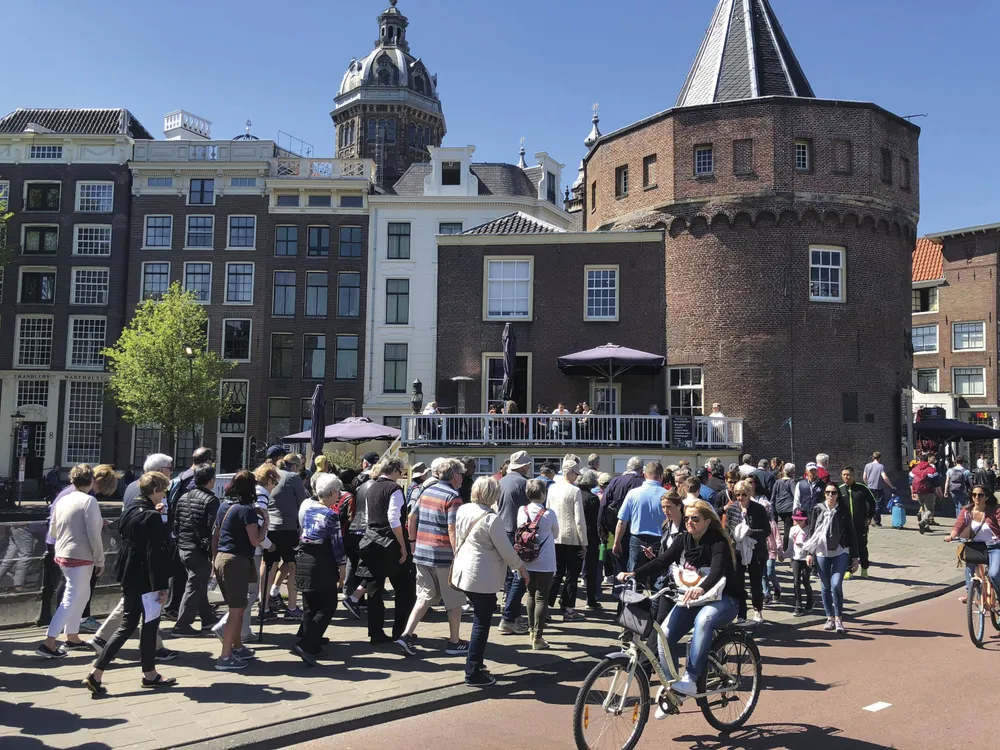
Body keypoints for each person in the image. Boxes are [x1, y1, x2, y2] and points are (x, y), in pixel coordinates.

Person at [622, 499, 741, 699]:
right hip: (694, 599)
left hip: (724, 599)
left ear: (707, 521)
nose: (689, 522)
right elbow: (662, 560)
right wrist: (633, 574)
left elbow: (717, 571)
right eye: (687, 518)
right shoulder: (683, 539)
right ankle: (675, 689)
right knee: (663, 638)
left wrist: (700, 588)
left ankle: (691, 680)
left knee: (704, 620)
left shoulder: (717, 542)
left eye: (695, 518)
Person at [84, 471, 174, 694]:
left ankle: (97, 672)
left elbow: (129, 533)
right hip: (146, 577)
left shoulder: (132, 509)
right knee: (150, 624)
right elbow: (155, 554)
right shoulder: (152, 516)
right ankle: (149, 674)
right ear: (155, 491)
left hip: (128, 572)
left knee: (127, 625)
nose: (164, 495)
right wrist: (161, 586)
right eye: (163, 491)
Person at [451, 476, 529, 687]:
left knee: (480, 618)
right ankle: (473, 670)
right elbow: (505, 549)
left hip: (464, 571)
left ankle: (476, 664)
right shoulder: (491, 518)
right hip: (482, 576)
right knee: (481, 623)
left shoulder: (464, 509)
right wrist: (520, 567)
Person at [396, 458, 467, 657]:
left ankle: (406, 634)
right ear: (455, 476)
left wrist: (412, 541)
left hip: (422, 552)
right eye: (461, 474)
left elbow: (412, 516)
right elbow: (452, 528)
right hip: (443, 556)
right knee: (453, 600)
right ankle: (454, 642)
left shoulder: (426, 491)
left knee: (424, 596)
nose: (462, 478)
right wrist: (458, 554)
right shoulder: (453, 497)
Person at [36, 465, 106, 658]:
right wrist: (100, 559)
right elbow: (94, 534)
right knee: (72, 597)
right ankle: (49, 642)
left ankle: (72, 637)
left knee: (81, 595)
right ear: (91, 481)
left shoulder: (63, 500)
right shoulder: (89, 501)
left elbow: (53, 530)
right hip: (81, 555)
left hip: (62, 552)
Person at [213, 470, 269, 670]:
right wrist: (266, 523)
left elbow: (217, 533)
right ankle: (225, 657)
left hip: (222, 558)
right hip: (237, 560)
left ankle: (237, 646)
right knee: (237, 611)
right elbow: (255, 540)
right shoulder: (246, 510)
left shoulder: (224, 506)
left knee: (237, 605)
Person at [359, 458, 417, 645]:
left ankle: (375, 632)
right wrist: (402, 544)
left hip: (371, 539)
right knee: (405, 589)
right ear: (394, 471)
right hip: (390, 542)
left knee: (374, 589)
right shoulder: (394, 489)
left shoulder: (371, 487)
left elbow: (369, 516)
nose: (401, 475)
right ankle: (400, 631)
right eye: (401, 472)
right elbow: (393, 518)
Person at [292, 472, 348, 666]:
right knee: (328, 605)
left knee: (310, 605)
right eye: (338, 492)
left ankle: (310, 641)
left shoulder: (308, 508)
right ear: (331, 492)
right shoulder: (331, 515)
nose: (339, 495)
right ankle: (307, 644)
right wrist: (342, 569)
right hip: (322, 562)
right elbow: (337, 545)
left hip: (303, 558)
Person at [170, 463, 221, 636]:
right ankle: (182, 624)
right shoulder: (211, 500)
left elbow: (176, 523)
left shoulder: (184, 497)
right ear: (211, 481)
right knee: (194, 584)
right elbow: (214, 529)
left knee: (197, 582)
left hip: (183, 546)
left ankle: (208, 618)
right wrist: (215, 553)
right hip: (199, 549)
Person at [803, 484, 860, 634]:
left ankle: (839, 618)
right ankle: (829, 617)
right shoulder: (817, 509)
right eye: (827, 492)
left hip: (840, 551)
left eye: (833, 492)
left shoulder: (842, 510)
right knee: (825, 586)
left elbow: (851, 533)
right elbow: (812, 530)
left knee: (835, 584)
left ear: (837, 495)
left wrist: (855, 557)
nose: (830, 495)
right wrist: (810, 552)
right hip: (822, 552)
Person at [261, 453, 308, 621]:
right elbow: (303, 503)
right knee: (293, 566)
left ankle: (264, 607)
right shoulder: (293, 477)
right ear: (294, 466)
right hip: (288, 528)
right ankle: (292, 607)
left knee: (268, 566)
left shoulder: (270, 474)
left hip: (270, 528)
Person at [638, 489, 683, 662]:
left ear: (679, 506)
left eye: (669, 507)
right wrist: (654, 553)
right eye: (663, 507)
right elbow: (665, 553)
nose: (665, 511)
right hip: (666, 581)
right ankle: (658, 670)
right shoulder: (667, 525)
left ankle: (645, 668)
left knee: (661, 629)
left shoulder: (688, 526)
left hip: (684, 583)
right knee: (658, 626)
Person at [515, 478, 559, 650]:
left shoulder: (522, 510)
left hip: (526, 559)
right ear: (543, 494)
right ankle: (538, 637)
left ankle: (531, 631)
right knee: (542, 597)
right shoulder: (549, 513)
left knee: (531, 595)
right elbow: (555, 534)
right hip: (545, 559)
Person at [547, 456, 589, 621]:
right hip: (572, 538)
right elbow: (579, 519)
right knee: (572, 575)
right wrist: (584, 542)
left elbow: (548, 512)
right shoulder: (575, 490)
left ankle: (546, 607)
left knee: (556, 573)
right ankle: (568, 609)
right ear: (571, 473)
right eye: (576, 474)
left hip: (555, 537)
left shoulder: (552, 489)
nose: (577, 477)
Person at [725, 479, 770, 623]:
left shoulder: (758, 509)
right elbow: (727, 529)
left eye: (744, 494)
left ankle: (758, 610)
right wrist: (732, 536)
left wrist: (750, 532)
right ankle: (742, 613)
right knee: (738, 583)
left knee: (755, 582)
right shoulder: (732, 509)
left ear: (749, 494)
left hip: (755, 551)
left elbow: (767, 531)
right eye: (737, 495)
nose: (740, 498)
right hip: (738, 551)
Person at [498, 451, 532, 635]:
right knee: (520, 574)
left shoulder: (501, 481)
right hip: (517, 532)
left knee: (510, 576)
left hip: (501, 529)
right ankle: (509, 617)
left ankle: (512, 614)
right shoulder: (523, 483)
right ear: (523, 466)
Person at [613, 461, 667, 577]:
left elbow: (622, 521)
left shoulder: (633, 494)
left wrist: (617, 542)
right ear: (661, 477)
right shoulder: (667, 495)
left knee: (634, 578)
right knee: (658, 579)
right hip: (660, 541)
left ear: (644, 475)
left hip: (637, 540)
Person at [946, 485, 1000, 599]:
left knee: (994, 574)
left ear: (986, 497)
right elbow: (958, 525)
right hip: (976, 546)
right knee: (970, 567)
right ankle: (969, 593)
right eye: (974, 495)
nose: (976, 497)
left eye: (980, 495)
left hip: (994, 547)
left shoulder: (995, 510)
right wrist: (951, 536)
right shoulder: (967, 511)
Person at [838, 467, 876, 579]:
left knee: (862, 546)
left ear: (853, 475)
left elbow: (872, 502)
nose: (846, 477)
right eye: (844, 474)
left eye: (848, 474)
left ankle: (864, 568)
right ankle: (848, 569)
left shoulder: (862, 488)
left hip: (860, 524)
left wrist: (869, 516)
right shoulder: (840, 489)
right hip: (846, 525)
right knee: (847, 547)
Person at [577, 469, 603, 610]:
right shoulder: (592, 498)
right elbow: (597, 521)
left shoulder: (574, 495)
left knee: (573, 570)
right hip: (591, 536)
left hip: (575, 535)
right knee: (592, 569)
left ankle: (568, 603)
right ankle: (591, 599)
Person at [785, 509, 813, 616]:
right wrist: (784, 554)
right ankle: (798, 605)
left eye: (800, 520)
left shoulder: (810, 529)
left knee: (806, 581)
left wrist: (804, 545)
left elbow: (812, 545)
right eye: (796, 519)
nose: (798, 522)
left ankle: (810, 601)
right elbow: (790, 546)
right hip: (796, 558)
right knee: (796, 581)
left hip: (806, 559)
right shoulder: (793, 530)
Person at [863, 451, 896, 527]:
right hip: (878, 488)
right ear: (880, 458)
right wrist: (891, 486)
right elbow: (884, 477)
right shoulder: (881, 466)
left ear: (873, 457)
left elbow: (864, 477)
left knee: (871, 503)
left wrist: (867, 484)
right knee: (879, 505)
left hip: (870, 488)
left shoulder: (867, 466)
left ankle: (874, 520)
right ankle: (876, 519)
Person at [909, 453, 940, 526]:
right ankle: (923, 521)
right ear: (927, 460)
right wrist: (940, 492)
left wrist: (912, 492)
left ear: (919, 460)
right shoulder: (932, 469)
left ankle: (925, 527)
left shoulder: (914, 470)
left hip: (918, 492)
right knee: (930, 509)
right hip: (929, 492)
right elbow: (937, 483)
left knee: (923, 508)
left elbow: (910, 482)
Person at [771, 462, 796, 550]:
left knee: (785, 527)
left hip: (779, 508)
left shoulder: (777, 482)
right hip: (789, 508)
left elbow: (773, 496)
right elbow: (795, 495)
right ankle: (786, 548)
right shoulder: (791, 482)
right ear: (792, 472)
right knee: (788, 529)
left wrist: (772, 507)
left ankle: (783, 546)